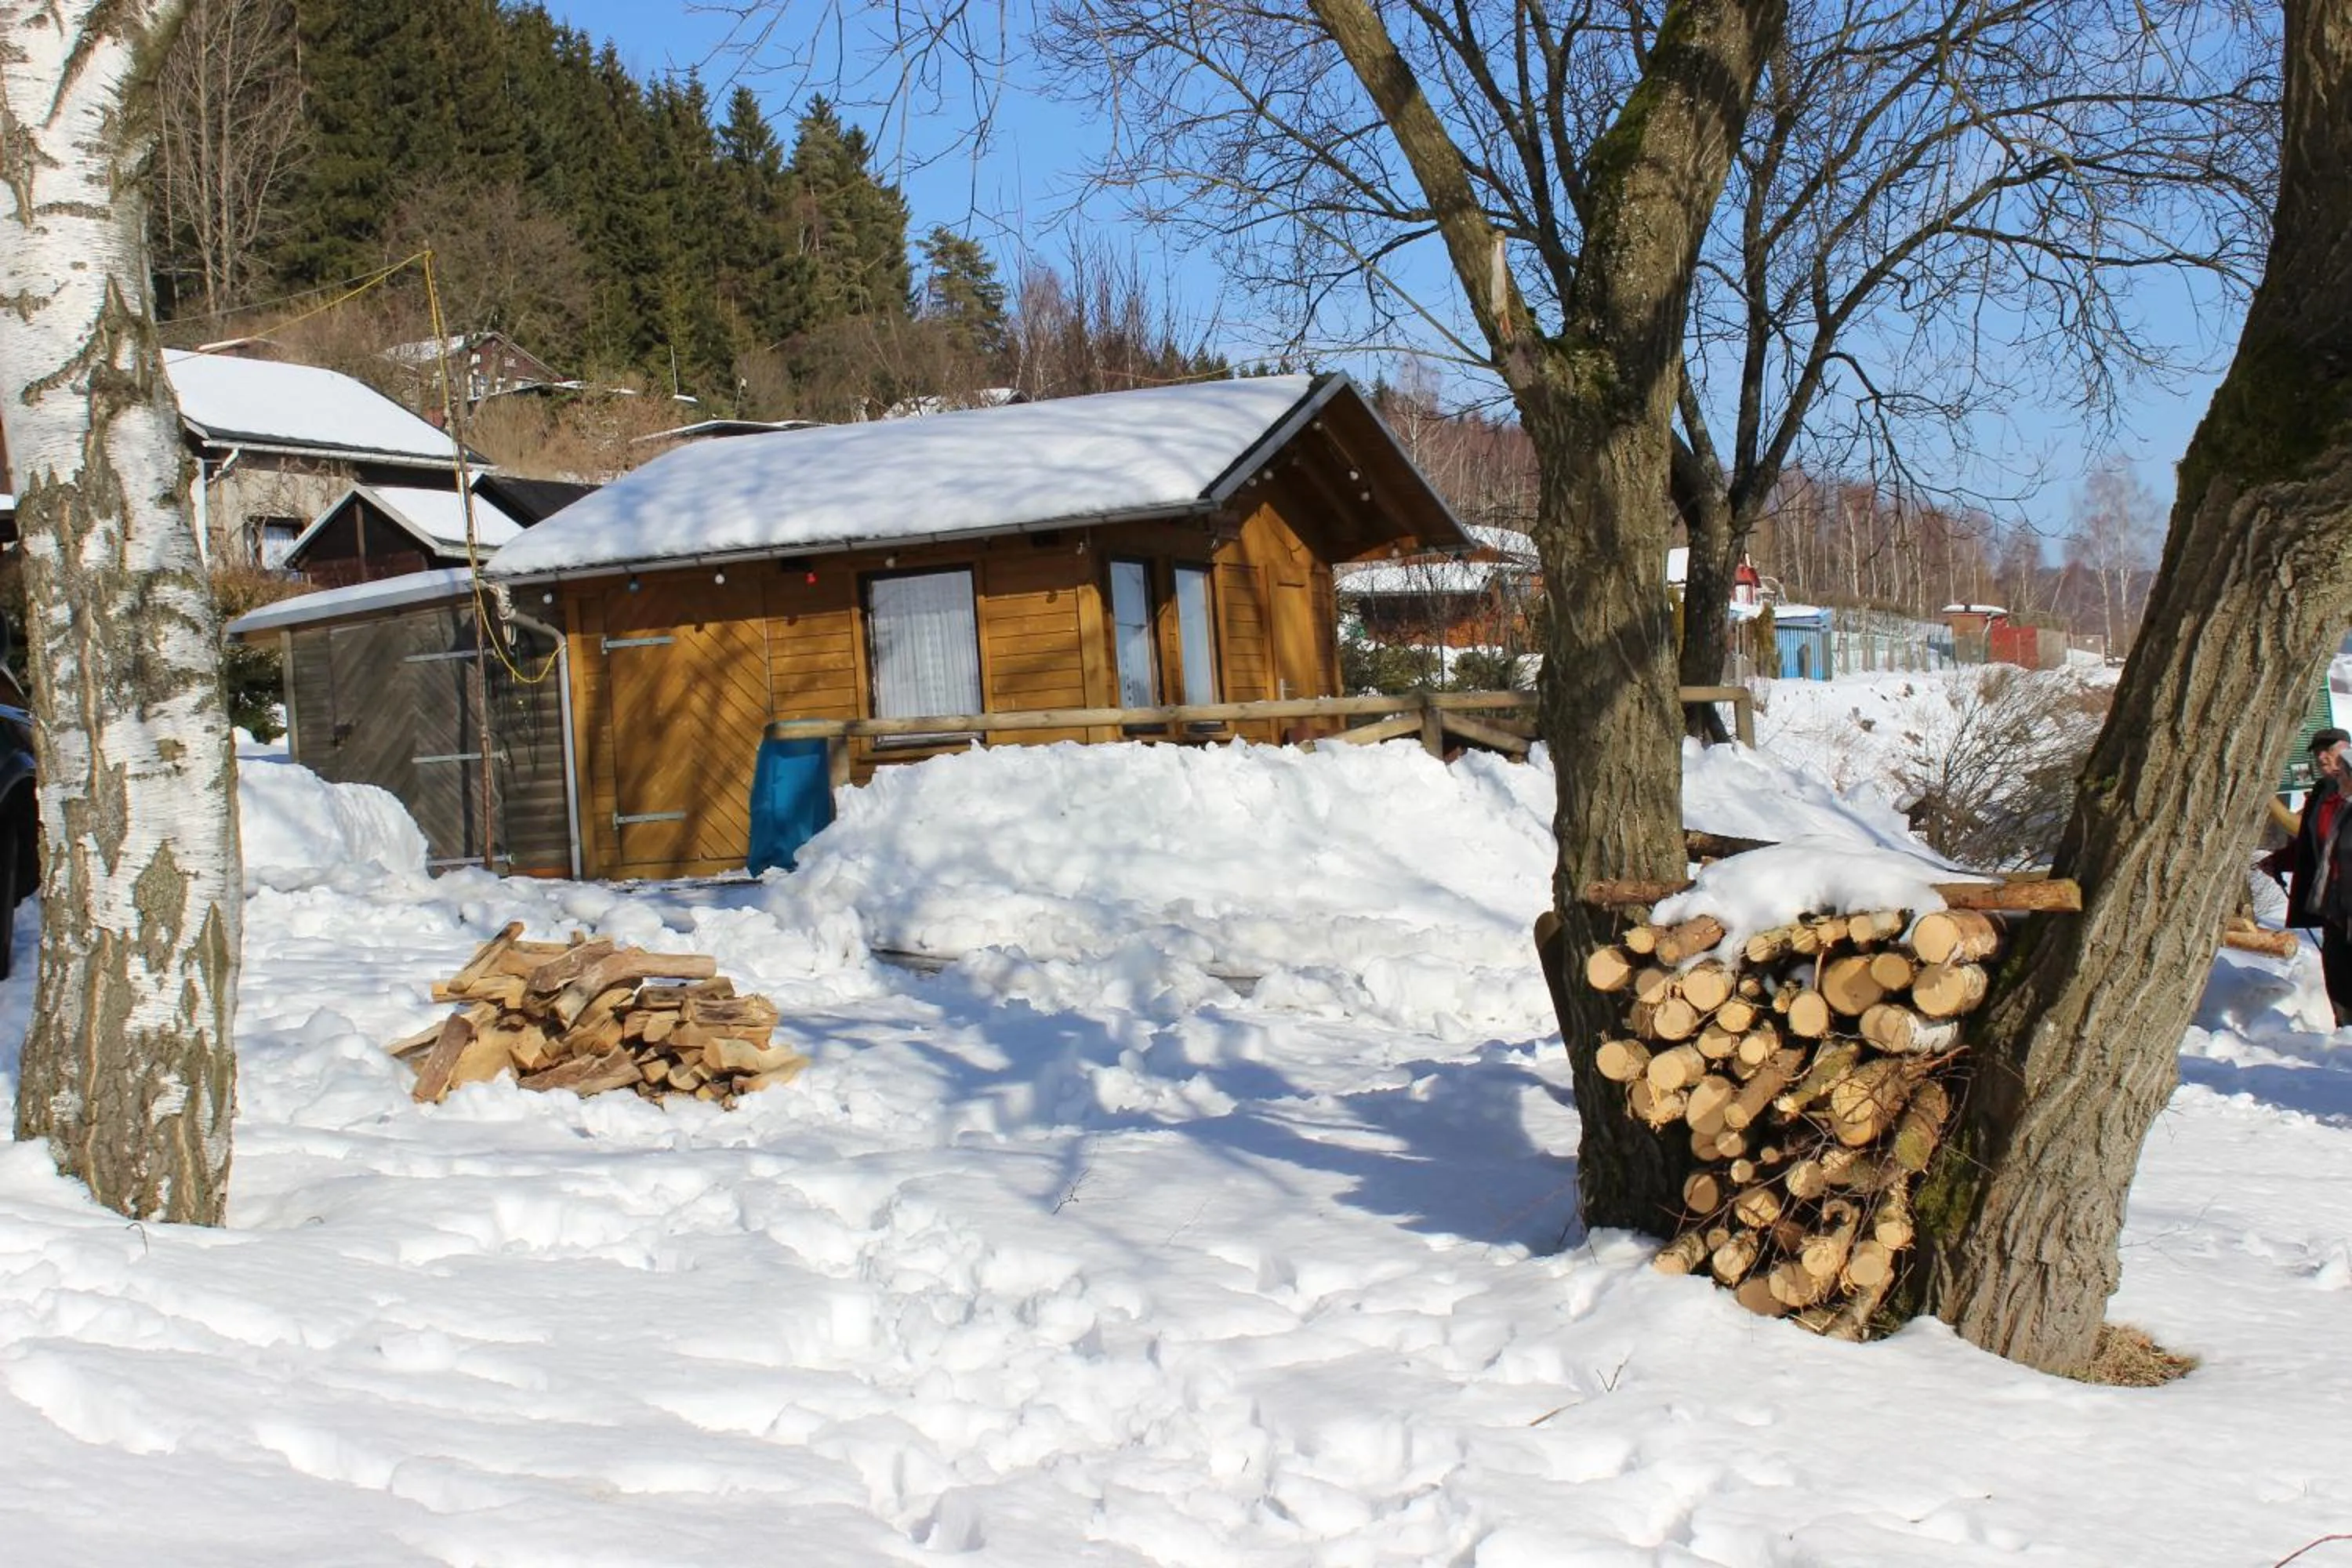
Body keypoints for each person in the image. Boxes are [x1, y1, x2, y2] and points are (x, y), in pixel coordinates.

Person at [2263, 726, 2352, 1025]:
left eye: (2330, 749)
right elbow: (2313, 842)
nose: (2323, 757)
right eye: (2318, 753)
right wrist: (2280, 861)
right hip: (2333, 908)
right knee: (2339, 979)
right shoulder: (2322, 795)